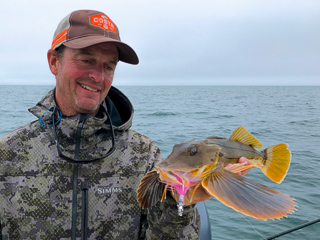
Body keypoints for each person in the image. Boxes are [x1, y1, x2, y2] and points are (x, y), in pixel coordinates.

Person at [0, 10, 250, 239]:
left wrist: (180, 204)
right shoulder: (7, 154)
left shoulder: (145, 155)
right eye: (86, 60)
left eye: (108, 66)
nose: (98, 76)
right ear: (54, 62)